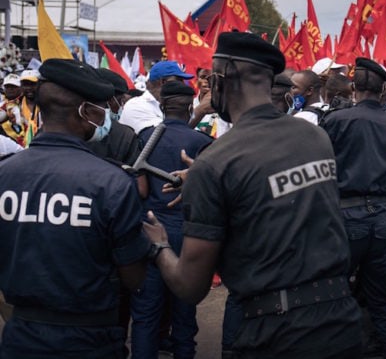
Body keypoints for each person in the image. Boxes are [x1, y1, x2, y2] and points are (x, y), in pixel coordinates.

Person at [143, 32, 361, 358]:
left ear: (221, 79)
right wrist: (215, 188)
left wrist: (159, 244)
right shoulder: (315, 136)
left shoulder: (216, 163)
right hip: (342, 321)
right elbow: (276, 192)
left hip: (277, 333)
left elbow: (190, 286)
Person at [0, 58, 148, 358]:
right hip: (91, 340)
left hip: (19, 337)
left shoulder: (5, 174)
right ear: (85, 112)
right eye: (102, 109)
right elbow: (133, 278)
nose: (107, 115)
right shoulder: (112, 183)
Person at [321, 57, 386, 359]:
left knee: (333, 295)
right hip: (381, 220)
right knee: (383, 301)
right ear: (384, 89)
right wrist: (376, 174)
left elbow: (320, 168)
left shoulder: (335, 121)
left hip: (345, 218)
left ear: (353, 87)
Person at [131, 81, 213, 359]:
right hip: (188, 233)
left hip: (151, 230)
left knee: (145, 314)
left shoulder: (143, 138)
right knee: (184, 312)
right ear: (191, 106)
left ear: (162, 105)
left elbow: (140, 189)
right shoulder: (202, 142)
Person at [120, 60, 193, 134]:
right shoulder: (136, 106)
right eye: (179, 81)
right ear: (163, 82)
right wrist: (201, 110)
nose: (183, 84)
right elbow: (168, 136)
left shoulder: (174, 105)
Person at [0, 73, 24, 145]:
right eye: (7, 87)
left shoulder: (27, 103)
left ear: (21, 88)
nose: (10, 89)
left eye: (13, 86)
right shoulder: (2, 106)